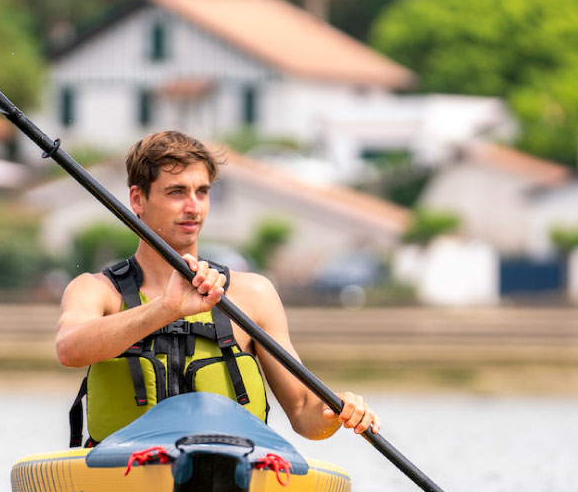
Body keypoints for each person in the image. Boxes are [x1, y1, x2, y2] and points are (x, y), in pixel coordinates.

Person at [56, 130, 380, 446]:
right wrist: (165, 309)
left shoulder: (252, 295)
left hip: (231, 475)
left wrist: (335, 412)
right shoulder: (95, 290)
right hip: (124, 474)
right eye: (176, 192)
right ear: (138, 199)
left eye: (203, 191)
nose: (193, 207)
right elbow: (69, 349)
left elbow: (303, 414)